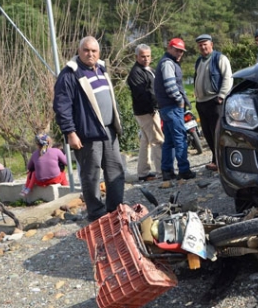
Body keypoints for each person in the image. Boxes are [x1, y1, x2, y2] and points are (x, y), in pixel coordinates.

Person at [53, 36, 125, 223]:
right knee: (91, 176)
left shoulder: (101, 69)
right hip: (87, 135)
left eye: (94, 51)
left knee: (116, 170)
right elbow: (62, 106)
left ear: (99, 53)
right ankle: (97, 215)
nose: (90, 54)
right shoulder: (70, 74)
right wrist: (70, 132)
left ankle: (115, 210)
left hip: (109, 131)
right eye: (86, 50)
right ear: (79, 51)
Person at [154, 38, 196, 181]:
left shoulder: (166, 62)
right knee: (180, 139)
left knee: (170, 141)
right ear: (169, 48)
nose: (179, 53)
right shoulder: (168, 63)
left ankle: (167, 171)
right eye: (177, 50)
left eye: (181, 51)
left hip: (166, 108)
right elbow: (171, 86)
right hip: (172, 107)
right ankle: (184, 170)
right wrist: (179, 101)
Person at [193, 34, 233, 171]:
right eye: (200, 45)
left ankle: (221, 161)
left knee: (217, 132)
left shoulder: (220, 58)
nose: (203, 47)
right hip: (201, 103)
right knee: (207, 134)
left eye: (205, 44)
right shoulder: (199, 61)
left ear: (211, 45)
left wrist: (221, 96)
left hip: (215, 101)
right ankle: (216, 160)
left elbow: (228, 78)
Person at [127, 44, 164, 182]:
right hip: (146, 111)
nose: (146, 58)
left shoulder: (148, 69)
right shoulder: (136, 73)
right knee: (157, 140)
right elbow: (142, 94)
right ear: (136, 57)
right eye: (143, 56)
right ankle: (162, 171)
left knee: (146, 141)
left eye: (148, 56)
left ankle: (143, 172)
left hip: (147, 110)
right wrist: (154, 107)